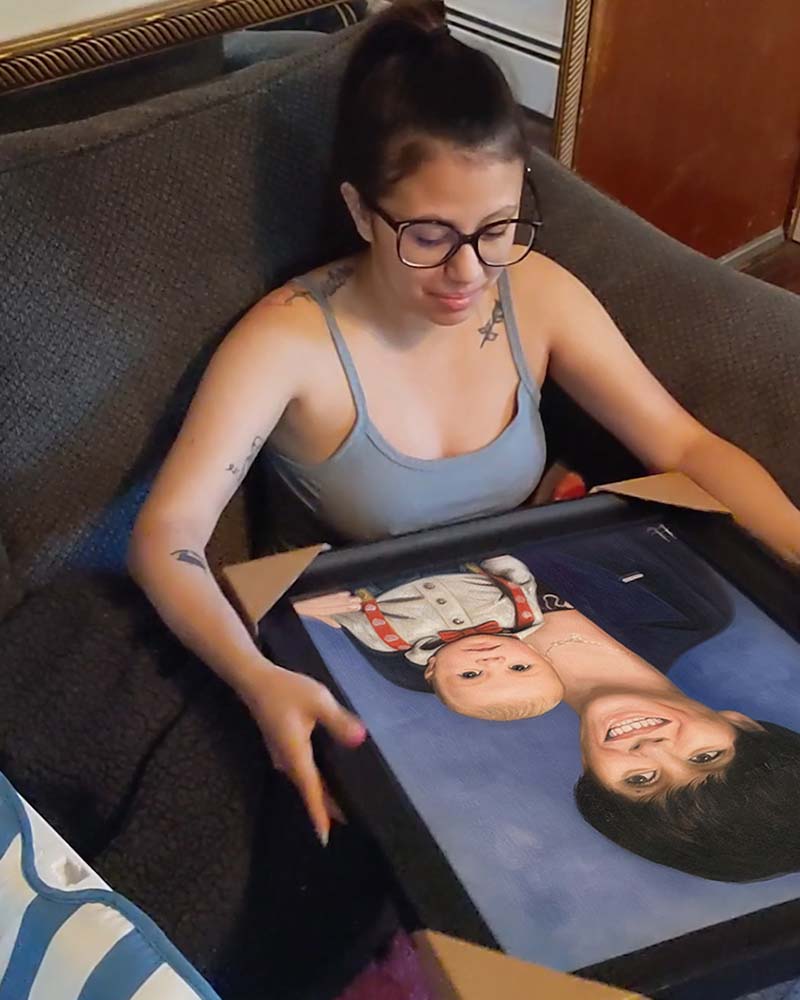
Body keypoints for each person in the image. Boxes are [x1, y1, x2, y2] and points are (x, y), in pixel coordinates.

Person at [126, 0, 800, 973]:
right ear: (362, 210)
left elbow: (682, 442)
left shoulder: (538, 293)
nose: (467, 273)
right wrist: (257, 678)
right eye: (429, 234)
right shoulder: (291, 341)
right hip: (362, 654)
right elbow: (171, 532)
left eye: (497, 228)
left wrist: (789, 534)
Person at [534, 610, 800, 882]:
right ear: (743, 724)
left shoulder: (493, 693)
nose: (651, 748)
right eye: (705, 757)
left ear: (593, 775)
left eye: (641, 779)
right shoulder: (680, 608)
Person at [294, 555, 568, 720]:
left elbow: (338, 609)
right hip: (452, 548)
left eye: (471, 675)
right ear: (538, 654)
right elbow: (512, 571)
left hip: (369, 566)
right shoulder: (523, 614)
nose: (492, 661)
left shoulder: (387, 639)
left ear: (431, 671)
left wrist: (310, 604)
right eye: (518, 668)